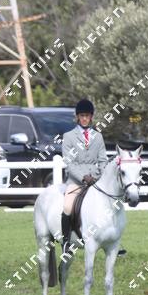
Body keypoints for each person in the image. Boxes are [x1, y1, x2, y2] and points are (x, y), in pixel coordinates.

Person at [60, 99, 108, 257]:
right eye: (82, 116)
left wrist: (97, 176)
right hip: (76, 182)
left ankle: (113, 239)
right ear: (78, 117)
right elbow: (69, 162)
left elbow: (103, 160)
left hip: (95, 181)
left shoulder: (98, 137)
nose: (85, 119)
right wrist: (83, 177)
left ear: (91, 117)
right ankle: (66, 242)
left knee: (109, 206)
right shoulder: (68, 136)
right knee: (68, 206)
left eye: (87, 116)